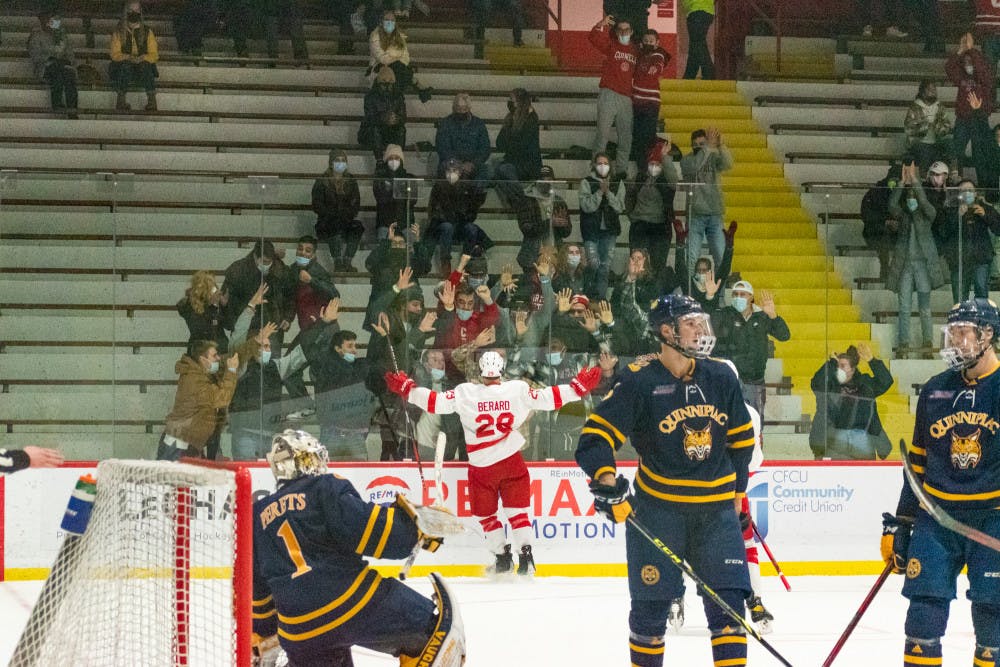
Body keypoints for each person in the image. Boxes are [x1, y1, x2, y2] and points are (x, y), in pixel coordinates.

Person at [577, 294, 754, 667]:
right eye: (690, 323)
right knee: (649, 616)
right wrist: (607, 482)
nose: (700, 330)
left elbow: (741, 442)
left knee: (729, 614)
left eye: (700, 322)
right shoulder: (640, 380)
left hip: (716, 516)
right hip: (658, 514)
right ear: (666, 331)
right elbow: (595, 439)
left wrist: (738, 496)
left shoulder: (721, 375)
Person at [251, 429, 465, 667]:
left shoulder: (257, 515)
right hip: (351, 602)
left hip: (299, 631)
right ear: (307, 460)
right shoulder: (324, 487)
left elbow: (258, 590)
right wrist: (415, 531)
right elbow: (366, 529)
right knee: (432, 633)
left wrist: (264, 631)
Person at [385, 350, 602, 575]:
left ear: (480, 371)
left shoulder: (465, 392)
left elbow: (434, 403)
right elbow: (549, 398)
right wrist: (577, 389)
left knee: (486, 515)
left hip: (482, 468)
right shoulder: (517, 389)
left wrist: (408, 389)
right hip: (511, 461)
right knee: (518, 512)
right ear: (501, 369)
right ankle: (526, 557)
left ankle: (502, 558)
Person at [881, 298, 1000, 667]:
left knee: (992, 613)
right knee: (922, 615)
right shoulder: (935, 390)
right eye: (951, 333)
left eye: (963, 333)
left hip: (992, 517)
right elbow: (916, 464)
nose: (954, 342)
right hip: (936, 516)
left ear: (988, 335)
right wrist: (901, 523)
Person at [887, 162, 944, 355]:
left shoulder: (926, 215)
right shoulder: (904, 217)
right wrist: (903, 183)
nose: (912, 202)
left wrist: (916, 184)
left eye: (915, 199)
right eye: (909, 199)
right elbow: (892, 205)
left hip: (923, 266)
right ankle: (903, 342)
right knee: (904, 306)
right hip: (905, 265)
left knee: (925, 307)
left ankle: (927, 341)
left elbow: (929, 208)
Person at [712, 280, 791, 416]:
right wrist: (710, 296)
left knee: (755, 422)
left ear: (751, 297)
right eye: (735, 294)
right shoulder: (726, 315)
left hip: (755, 381)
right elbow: (709, 321)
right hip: (730, 380)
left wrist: (773, 316)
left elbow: (784, 336)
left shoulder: (761, 317)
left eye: (743, 294)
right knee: (729, 422)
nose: (738, 297)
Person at [157, 340, 239, 460]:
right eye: (214, 355)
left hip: (185, 442)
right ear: (203, 360)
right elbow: (222, 399)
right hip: (179, 445)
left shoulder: (200, 373)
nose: (218, 358)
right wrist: (231, 371)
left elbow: (232, 357)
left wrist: (254, 343)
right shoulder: (195, 380)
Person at [809, 343, 893, 460]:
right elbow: (816, 383)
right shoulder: (830, 385)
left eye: (842, 366)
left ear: (852, 370)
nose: (839, 369)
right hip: (835, 439)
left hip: (861, 439)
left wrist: (872, 360)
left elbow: (886, 381)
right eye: (837, 366)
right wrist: (831, 363)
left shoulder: (865, 384)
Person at [936, 179, 1000, 304]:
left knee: (981, 292)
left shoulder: (985, 208)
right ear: (958, 194)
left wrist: (986, 216)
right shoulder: (951, 209)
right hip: (958, 261)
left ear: (976, 193)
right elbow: (943, 232)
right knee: (960, 297)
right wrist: (957, 216)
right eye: (963, 191)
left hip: (980, 259)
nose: (967, 193)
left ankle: (981, 321)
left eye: (970, 190)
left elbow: (998, 229)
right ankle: (962, 321)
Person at [679, 127, 732, 274]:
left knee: (721, 257)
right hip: (695, 214)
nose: (700, 147)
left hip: (715, 214)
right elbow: (695, 166)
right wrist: (708, 147)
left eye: (703, 143)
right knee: (692, 258)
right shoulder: (686, 160)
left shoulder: (713, 158)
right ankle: (690, 294)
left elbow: (728, 164)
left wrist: (721, 145)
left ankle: (719, 296)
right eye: (696, 144)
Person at [590, 14, 637, 178]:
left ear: (631, 31)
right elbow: (594, 39)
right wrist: (600, 24)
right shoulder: (611, 45)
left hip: (626, 97)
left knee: (626, 138)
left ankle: (621, 172)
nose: (624, 33)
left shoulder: (636, 50)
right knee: (602, 135)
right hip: (608, 94)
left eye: (627, 30)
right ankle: (596, 170)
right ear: (616, 32)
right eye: (621, 30)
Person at [626, 139, 678, 277]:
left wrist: (665, 157)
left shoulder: (666, 180)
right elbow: (629, 196)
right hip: (639, 226)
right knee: (637, 264)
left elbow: (674, 179)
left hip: (660, 228)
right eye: (652, 164)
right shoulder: (639, 177)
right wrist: (631, 215)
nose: (654, 167)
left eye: (657, 164)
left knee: (658, 265)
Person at [579, 152, 628, 300]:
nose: (602, 166)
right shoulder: (586, 182)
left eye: (605, 163)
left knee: (605, 268)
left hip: (610, 230)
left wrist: (609, 194)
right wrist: (600, 192)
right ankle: (586, 295)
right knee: (593, 264)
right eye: (599, 163)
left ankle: (600, 300)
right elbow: (586, 206)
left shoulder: (618, 183)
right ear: (594, 165)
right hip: (590, 230)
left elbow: (620, 207)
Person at [946, 33, 995, 176]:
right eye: (965, 62)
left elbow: (982, 70)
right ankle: (957, 181)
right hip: (963, 119)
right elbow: (949, 68)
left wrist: (972, 50)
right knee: (957, 152)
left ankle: (983, 184)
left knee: (979, 154)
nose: (968, 65)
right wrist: (961, 50)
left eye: (971, 62)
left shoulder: (984, 78)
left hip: (979, 118)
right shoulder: (961, 78)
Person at [312, 149, 364, 273]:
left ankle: (347, 260)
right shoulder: (321, 181)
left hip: (346, 221)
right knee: (334, 225)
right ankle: (337, 261)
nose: (340, 163)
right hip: (327, 221)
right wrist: (333, 213)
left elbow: (356, 203)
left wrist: (345, 214)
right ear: (331, 162)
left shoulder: (351, 180)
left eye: (343, 160)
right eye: (337, 160)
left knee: (358, 227)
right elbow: (317, 204)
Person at [369, 9, 432, 102]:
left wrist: (394, 57)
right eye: (387, 20)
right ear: (381, 22)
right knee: (400, 68)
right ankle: (418, 86)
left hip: (399, 69)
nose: (389, 22)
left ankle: (398, 100)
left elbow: (406, 57)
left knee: (399, 69)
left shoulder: (400, 36)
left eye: (392, 20)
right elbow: (381, 58)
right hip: (380, 68)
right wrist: (397, 57)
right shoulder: (375, 35)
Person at [108, 1, 158, 112]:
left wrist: (143, 57)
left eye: (136, 11)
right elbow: (114, 54)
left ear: (140, 12)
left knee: (145, 64)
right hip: (123, 69)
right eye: (131, 11)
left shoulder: (147, 31)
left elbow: (154, 55)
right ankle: (120, 100)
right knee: (125, 65)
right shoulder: (118, 31)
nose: (133, 13)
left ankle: (151, 100)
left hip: (142, 68)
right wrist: (128, 57)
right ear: (126, 12)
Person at [631, 30, 670, 172]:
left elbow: (654, 70)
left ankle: (648, 167)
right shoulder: (637, 55)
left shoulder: (658, 55)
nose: (648, 43)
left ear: (657, 43)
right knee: (637, 136)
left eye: (651, 41)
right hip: (636, 103)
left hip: (651, 103)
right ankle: (643, 168)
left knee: (647, 137)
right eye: (645, 40)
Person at [28, 9, 78, 118]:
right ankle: (57, 105)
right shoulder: (36, 36)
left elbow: (70, 54)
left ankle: (72, 109)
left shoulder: (62, 36)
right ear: (42, 21)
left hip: (63, 66)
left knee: (69, 75)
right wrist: (50, 59)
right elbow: (35, 56)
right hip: (45, 67)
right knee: (58, 73)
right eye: (49, 19)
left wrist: (68, 62)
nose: (52, 22)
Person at [435, 94, 491, 187]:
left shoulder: (479, 124)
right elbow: (443, 148)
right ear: (453, 108)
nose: (461, 111)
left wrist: (472, 164)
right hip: (451, 163)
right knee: (449, 172)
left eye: (464, 109)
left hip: (473, 164)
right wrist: (457, 164)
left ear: (469, 108)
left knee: (484, 171)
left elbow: (484, 149)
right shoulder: (445, 124)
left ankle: (477, 197)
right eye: (458, 108)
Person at [860, 164, 902, 281]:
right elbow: (867, 214)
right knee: (883, 236)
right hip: (876, 232)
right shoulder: (875, 193)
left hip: (897, 233)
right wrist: (885, 222)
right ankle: (885, 268)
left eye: (898, 180)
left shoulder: (904, 193)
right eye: (893, 179)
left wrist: (900, 225)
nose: (895, 183)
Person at [903, 80, 953, 174]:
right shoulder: (914, 107)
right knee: (926, 152)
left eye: (934, 89)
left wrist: (936, 126)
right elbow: (908, 129)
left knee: (951, 144)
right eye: (929, 89)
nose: (932, 91)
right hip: (919, 142)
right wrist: (925, 125)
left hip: (936, 141)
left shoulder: (940, 107)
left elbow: (947, 126)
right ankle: (923, 179)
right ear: (922, 91)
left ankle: (953, 175)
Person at [359, 67, 407, 160]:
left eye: (390, 83)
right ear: (378, 83)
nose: (387, 86)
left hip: (391, 130)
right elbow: (369, 118)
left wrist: (396, 119)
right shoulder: (370, 96)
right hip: (372, 130)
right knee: (375, 130)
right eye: (384, 83)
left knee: (401, 130)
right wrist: (383, 118)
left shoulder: (399, 96)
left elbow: (403, 117)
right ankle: (379, 161)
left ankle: (398, 158)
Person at [177, 270, 229, 355]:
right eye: (210, 286)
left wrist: (224, 306)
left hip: (220, 350)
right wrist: (213, 307)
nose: (214, 288)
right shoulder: (188, 306)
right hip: (200, 352)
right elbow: (200, 330)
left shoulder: (215, 302)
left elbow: (228, 325)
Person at [495, 87, 541, 183]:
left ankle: (518, 194)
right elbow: (499, 143)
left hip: (527, 163)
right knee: (492, 166)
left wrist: (509, 143)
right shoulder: (510, 118)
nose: (510, 102)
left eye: (512, 100)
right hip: (513, 160)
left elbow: (522, 146)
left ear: (520, 102)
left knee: (503, 168)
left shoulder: (531, 119)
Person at [682, 0, 715, 79]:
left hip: (697, 9)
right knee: (696, 44)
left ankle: (709, 72)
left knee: (697, 43)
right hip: (703, 10)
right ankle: (690, 74)